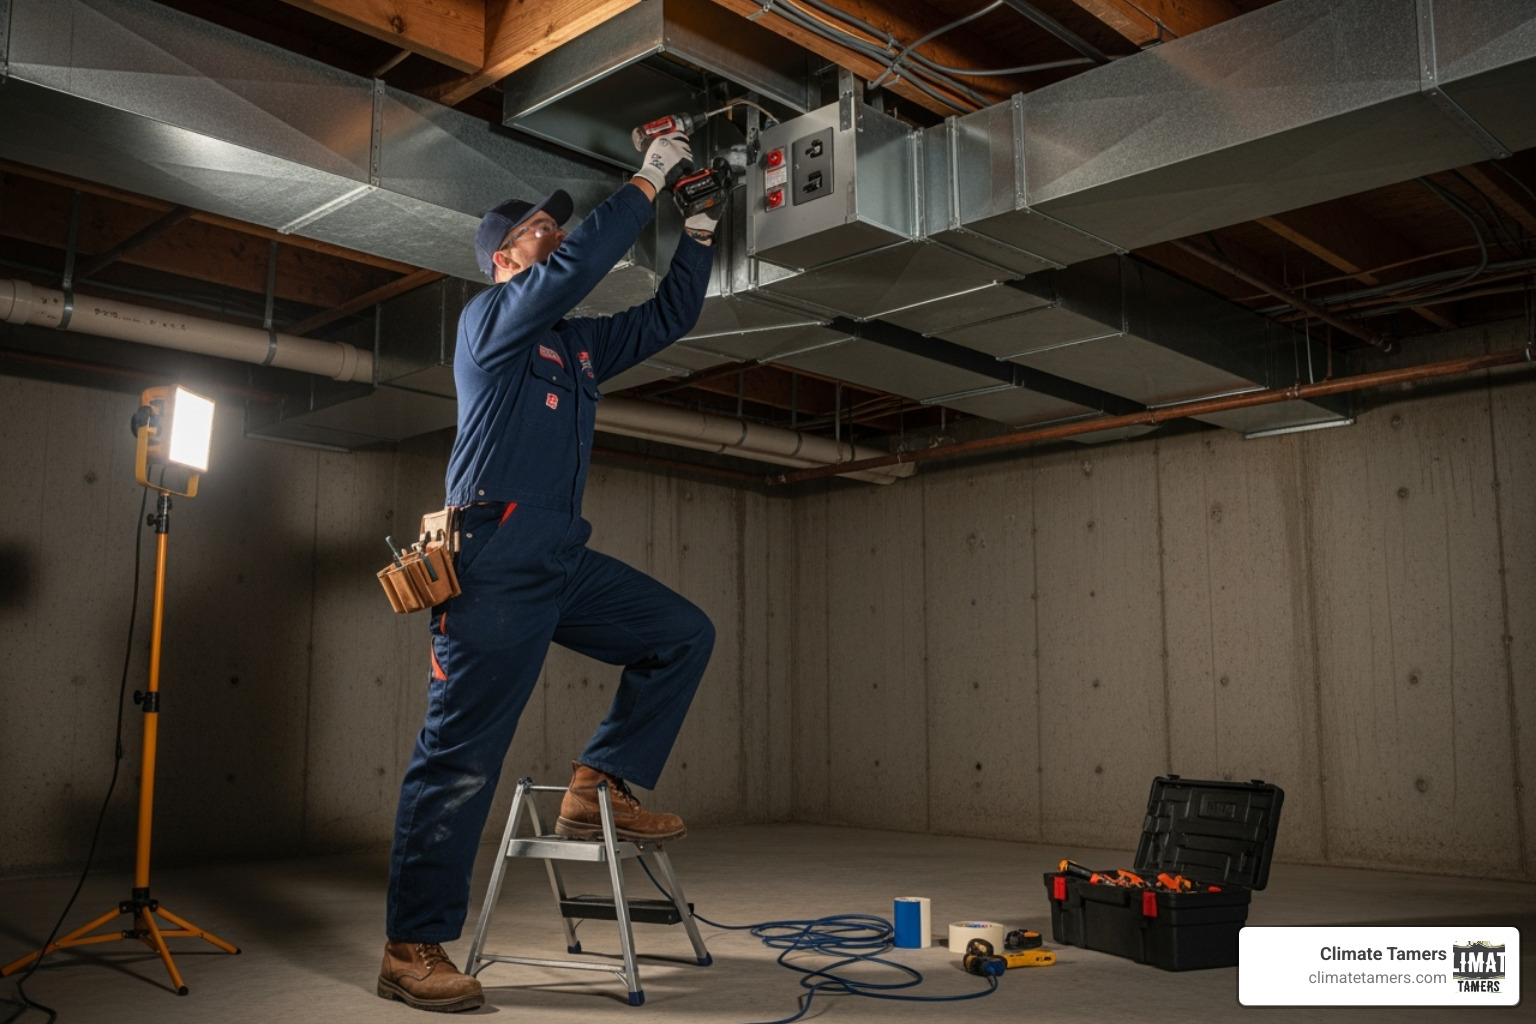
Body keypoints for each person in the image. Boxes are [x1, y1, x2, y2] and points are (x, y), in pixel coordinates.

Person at [377, 130, 721, 1013]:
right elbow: (573, 271)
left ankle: (597, 781)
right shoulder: (489, 322)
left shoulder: (574, 347)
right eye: (540, 229)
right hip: (492, 559)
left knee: (681, 634)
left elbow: (667, 319)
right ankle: (410, 949)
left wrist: (701, 228)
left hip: (559, 555)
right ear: (503, 258)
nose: (556, 235)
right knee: (459, 760)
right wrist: (648, 178)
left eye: (557, 228)